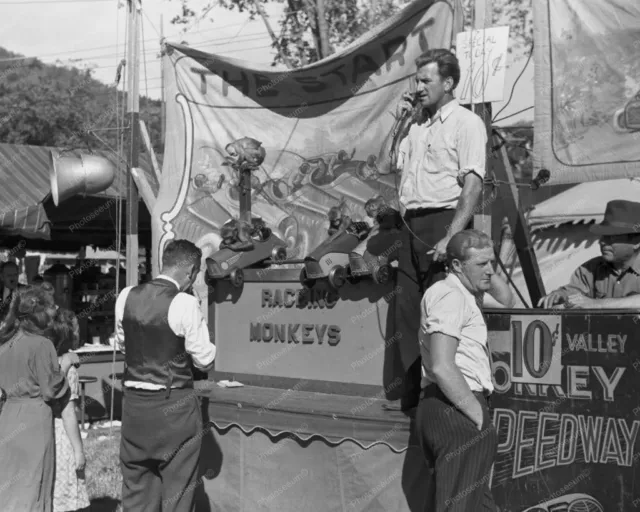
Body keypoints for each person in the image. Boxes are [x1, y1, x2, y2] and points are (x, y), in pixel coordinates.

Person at [377, 48, 488, 409]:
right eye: (417, 80)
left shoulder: (466, 123)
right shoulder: (415, 125)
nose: (419, 87)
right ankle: (414, 397)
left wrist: (451, 235)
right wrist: (399, 121)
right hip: (411, 223)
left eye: (426, 80)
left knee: (444, 311)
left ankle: (448, 397)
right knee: (408, 312)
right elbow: (382, 165)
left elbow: (472, 185)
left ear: (449, 82)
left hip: (445, 220)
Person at [115, 239, 216, 512]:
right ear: (191, 271)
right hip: (173, 408)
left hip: (134, 407)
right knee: (177, 495)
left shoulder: (126, 295)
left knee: (136, 492)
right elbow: (205, 359)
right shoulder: (184, 302)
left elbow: (124, 345)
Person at [416, 230, 513, 511]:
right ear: (457, 266)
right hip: (457, 408)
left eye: (491, 263)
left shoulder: (462, 293)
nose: (490, 270)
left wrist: (486, 260)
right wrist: (476, 415)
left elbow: (507, 300)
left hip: (451, 407)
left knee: (478, 504)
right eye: (482, 264)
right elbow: (442, 365)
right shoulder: (450, 295)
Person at [0, 286, 71, 512]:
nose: (54, 311)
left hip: (8, 415)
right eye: (50, 306)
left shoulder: (6, 342)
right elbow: (50, 390)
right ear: (38, 312)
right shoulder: (42, 344)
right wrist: (66, 365)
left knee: (10, 485)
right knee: (36, 484)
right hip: (34, 419)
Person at [538, 199, 640, 310]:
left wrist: (597, 304)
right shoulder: (590, 269)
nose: (602, 242)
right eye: (603, 236)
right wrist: (560, 296)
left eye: (611, 237)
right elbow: (574, 293)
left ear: (636, 242)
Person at [48, 308, 90, 512]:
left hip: (44, 433)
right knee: (68, 490)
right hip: (62, 436)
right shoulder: (69, 370)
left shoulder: (45, 362)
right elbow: (68, 413)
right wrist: (78, 450)